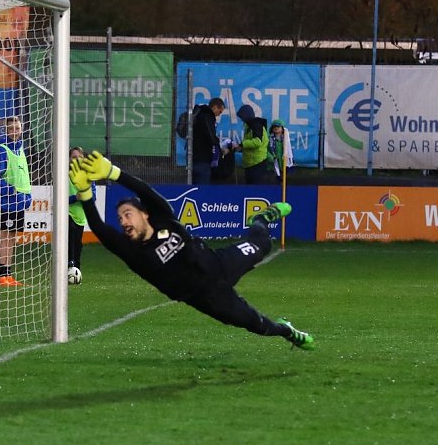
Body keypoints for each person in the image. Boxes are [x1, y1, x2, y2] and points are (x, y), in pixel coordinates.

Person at [68, 150, 315, 350]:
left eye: (127, 214)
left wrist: (113, 172)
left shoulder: (164, 218)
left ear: (144, 214)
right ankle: (287, 330)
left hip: (220, 263)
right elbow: (99, 228)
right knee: (257, 324)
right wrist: (84, 192)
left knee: (264, 244)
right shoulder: (133, 252)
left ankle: (261, 219)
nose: (123, 221)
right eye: (120, 218)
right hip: (208, 298)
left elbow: (144, 191)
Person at [0, 116, 32, 287]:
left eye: (17, 128)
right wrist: (11, 191)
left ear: (21, 129)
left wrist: (27, 195)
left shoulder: (21, 150)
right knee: (5, 237)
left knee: (12, 238)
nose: (15, 131)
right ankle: (1, 275)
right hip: (9, 202)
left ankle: (8, 273)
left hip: (20, 203)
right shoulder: (3, 149)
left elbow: (23, 177)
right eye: (11, 128)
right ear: (6, 131)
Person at [67, 146, 95, 281]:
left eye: (79, 157)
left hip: (80, 216)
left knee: (77, 243)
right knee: (69, 241)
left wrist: (85, 195)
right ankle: (68, 268)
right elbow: (60, 198)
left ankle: (76, 269)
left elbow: (93, 197)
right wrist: (74, 198)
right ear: (68, 160)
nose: (77, 159)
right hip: (66, 213)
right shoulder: (63, 175)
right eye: (74, 157)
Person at [191, 97, 225, 184]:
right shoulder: (208, 116)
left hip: (192, 157)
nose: (218, 115)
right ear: (215, 107)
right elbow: (211, 136)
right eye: (220, 111)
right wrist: (220, 147)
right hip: (202, 159)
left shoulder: (197, 114)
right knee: (203, 189)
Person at [235, 104, 270, 184]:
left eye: (242, 117)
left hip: (257, 163)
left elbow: (257, 142)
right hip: (250, 163)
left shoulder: (256, 125)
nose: (241, 120)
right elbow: (250, 143)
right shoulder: (249, 126)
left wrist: (242, 145)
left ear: (246, 115)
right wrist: (241, 148)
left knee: (254, 189)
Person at [267, 119, 293, 184]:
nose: (276, 128)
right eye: (274, 126)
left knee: (284, 184)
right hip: (272, 166)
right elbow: (265, 150)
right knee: (274, 183)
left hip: (284, 166)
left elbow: (289, 152)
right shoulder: (269, 139)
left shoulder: (286, 140)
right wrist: (271, 158)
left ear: (282, 128)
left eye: (278, 126)